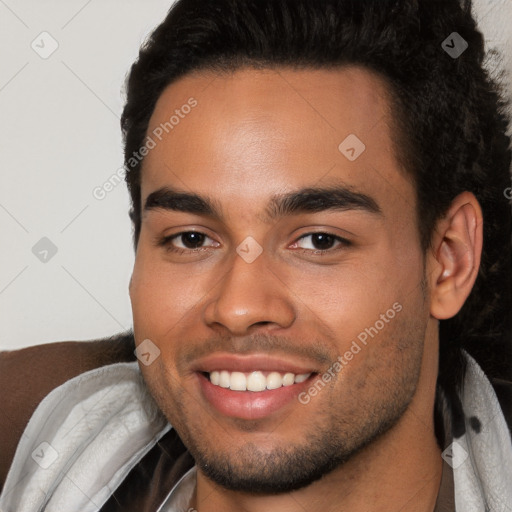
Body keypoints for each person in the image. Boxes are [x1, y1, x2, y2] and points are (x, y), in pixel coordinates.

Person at [1, 0, 512, 510]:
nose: (238, 308)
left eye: (319, 240)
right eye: (191, 239)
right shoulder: (30, 435)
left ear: (449, 259)